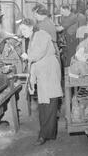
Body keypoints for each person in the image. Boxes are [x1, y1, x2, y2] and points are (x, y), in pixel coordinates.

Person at [19, 18, 63, 146]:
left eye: (24, 29)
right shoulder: (31, 39)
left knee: (49, 104)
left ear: (31, 27)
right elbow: (32, 64)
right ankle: (49, 133)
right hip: (42, 74)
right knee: (44, 105)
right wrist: (31, 82)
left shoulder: (42, 35)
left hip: (49, 72)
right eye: (21, 30)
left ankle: (44, 135)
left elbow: (38, 54)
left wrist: (28, 57)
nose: (22, 32)